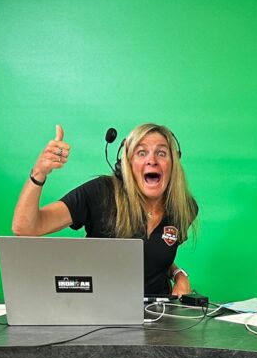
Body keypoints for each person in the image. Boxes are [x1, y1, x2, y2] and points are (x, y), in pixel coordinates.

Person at [12, 123, 198, 296]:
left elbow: (153, 254)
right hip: (100, 314)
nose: (152, 160)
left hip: (158, 318)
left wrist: (178, 274)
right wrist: (39, 172)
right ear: (127, 164)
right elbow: (26, 227)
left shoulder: (183, 208)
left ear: (173, 164)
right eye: (141, 153)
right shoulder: (100, 193)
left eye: (162, 153)